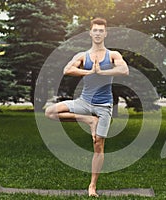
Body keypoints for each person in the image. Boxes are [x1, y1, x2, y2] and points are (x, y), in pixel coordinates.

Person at [45, 17, 129, 197]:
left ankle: (92, 186)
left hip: (103, 107)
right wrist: (89, 71)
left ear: (105, 33)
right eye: (95, 30)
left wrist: (102, 72)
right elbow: (67, 70)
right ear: (90, 33)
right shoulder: (82, 56)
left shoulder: (112, 55)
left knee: (98, 145)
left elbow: (124, 70)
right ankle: (89, 120)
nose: (98, 33)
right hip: (83, 102)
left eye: (101, 30)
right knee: (50, 112)